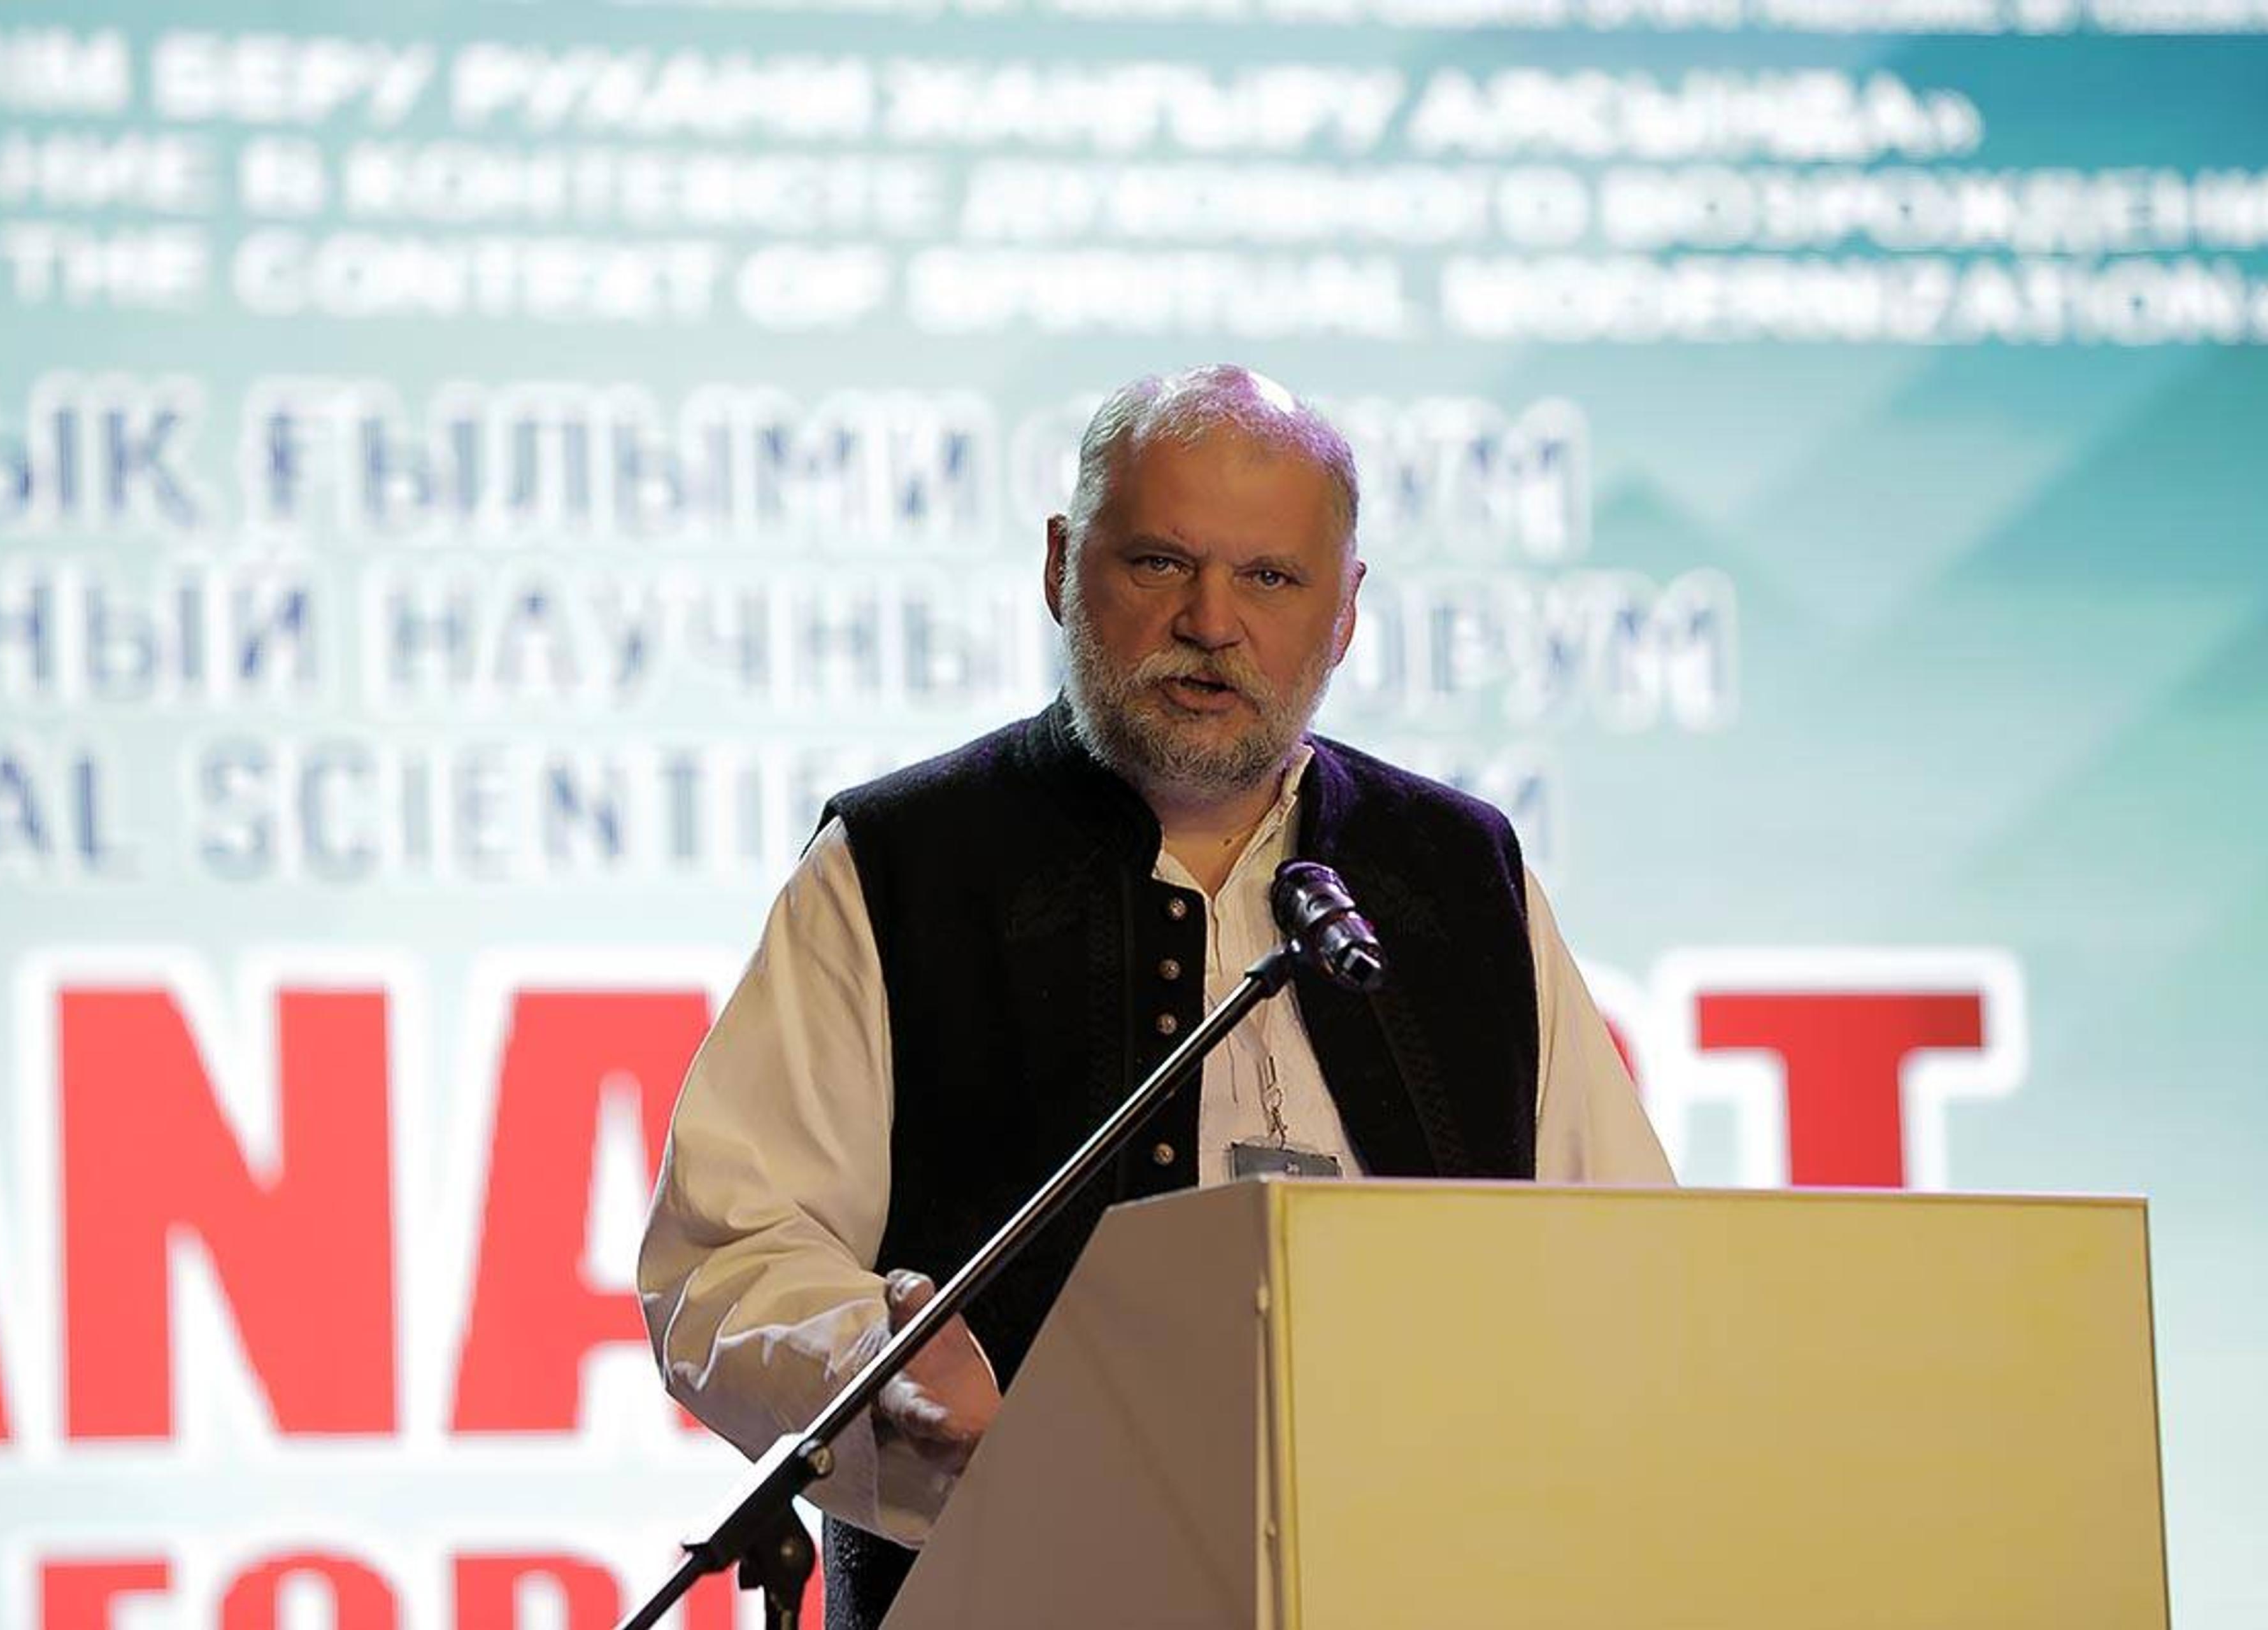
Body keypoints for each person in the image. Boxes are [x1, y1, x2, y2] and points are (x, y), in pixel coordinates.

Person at [638, 364, 1673, 1629]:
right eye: (1159, 563)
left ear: (1345, 614)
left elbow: (1625, 1266)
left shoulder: (1458, 871)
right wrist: (873, 1365)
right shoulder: (905, 863)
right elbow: (728, 1256)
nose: (1212, 621)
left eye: (1271, 578)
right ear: (1062, 566)